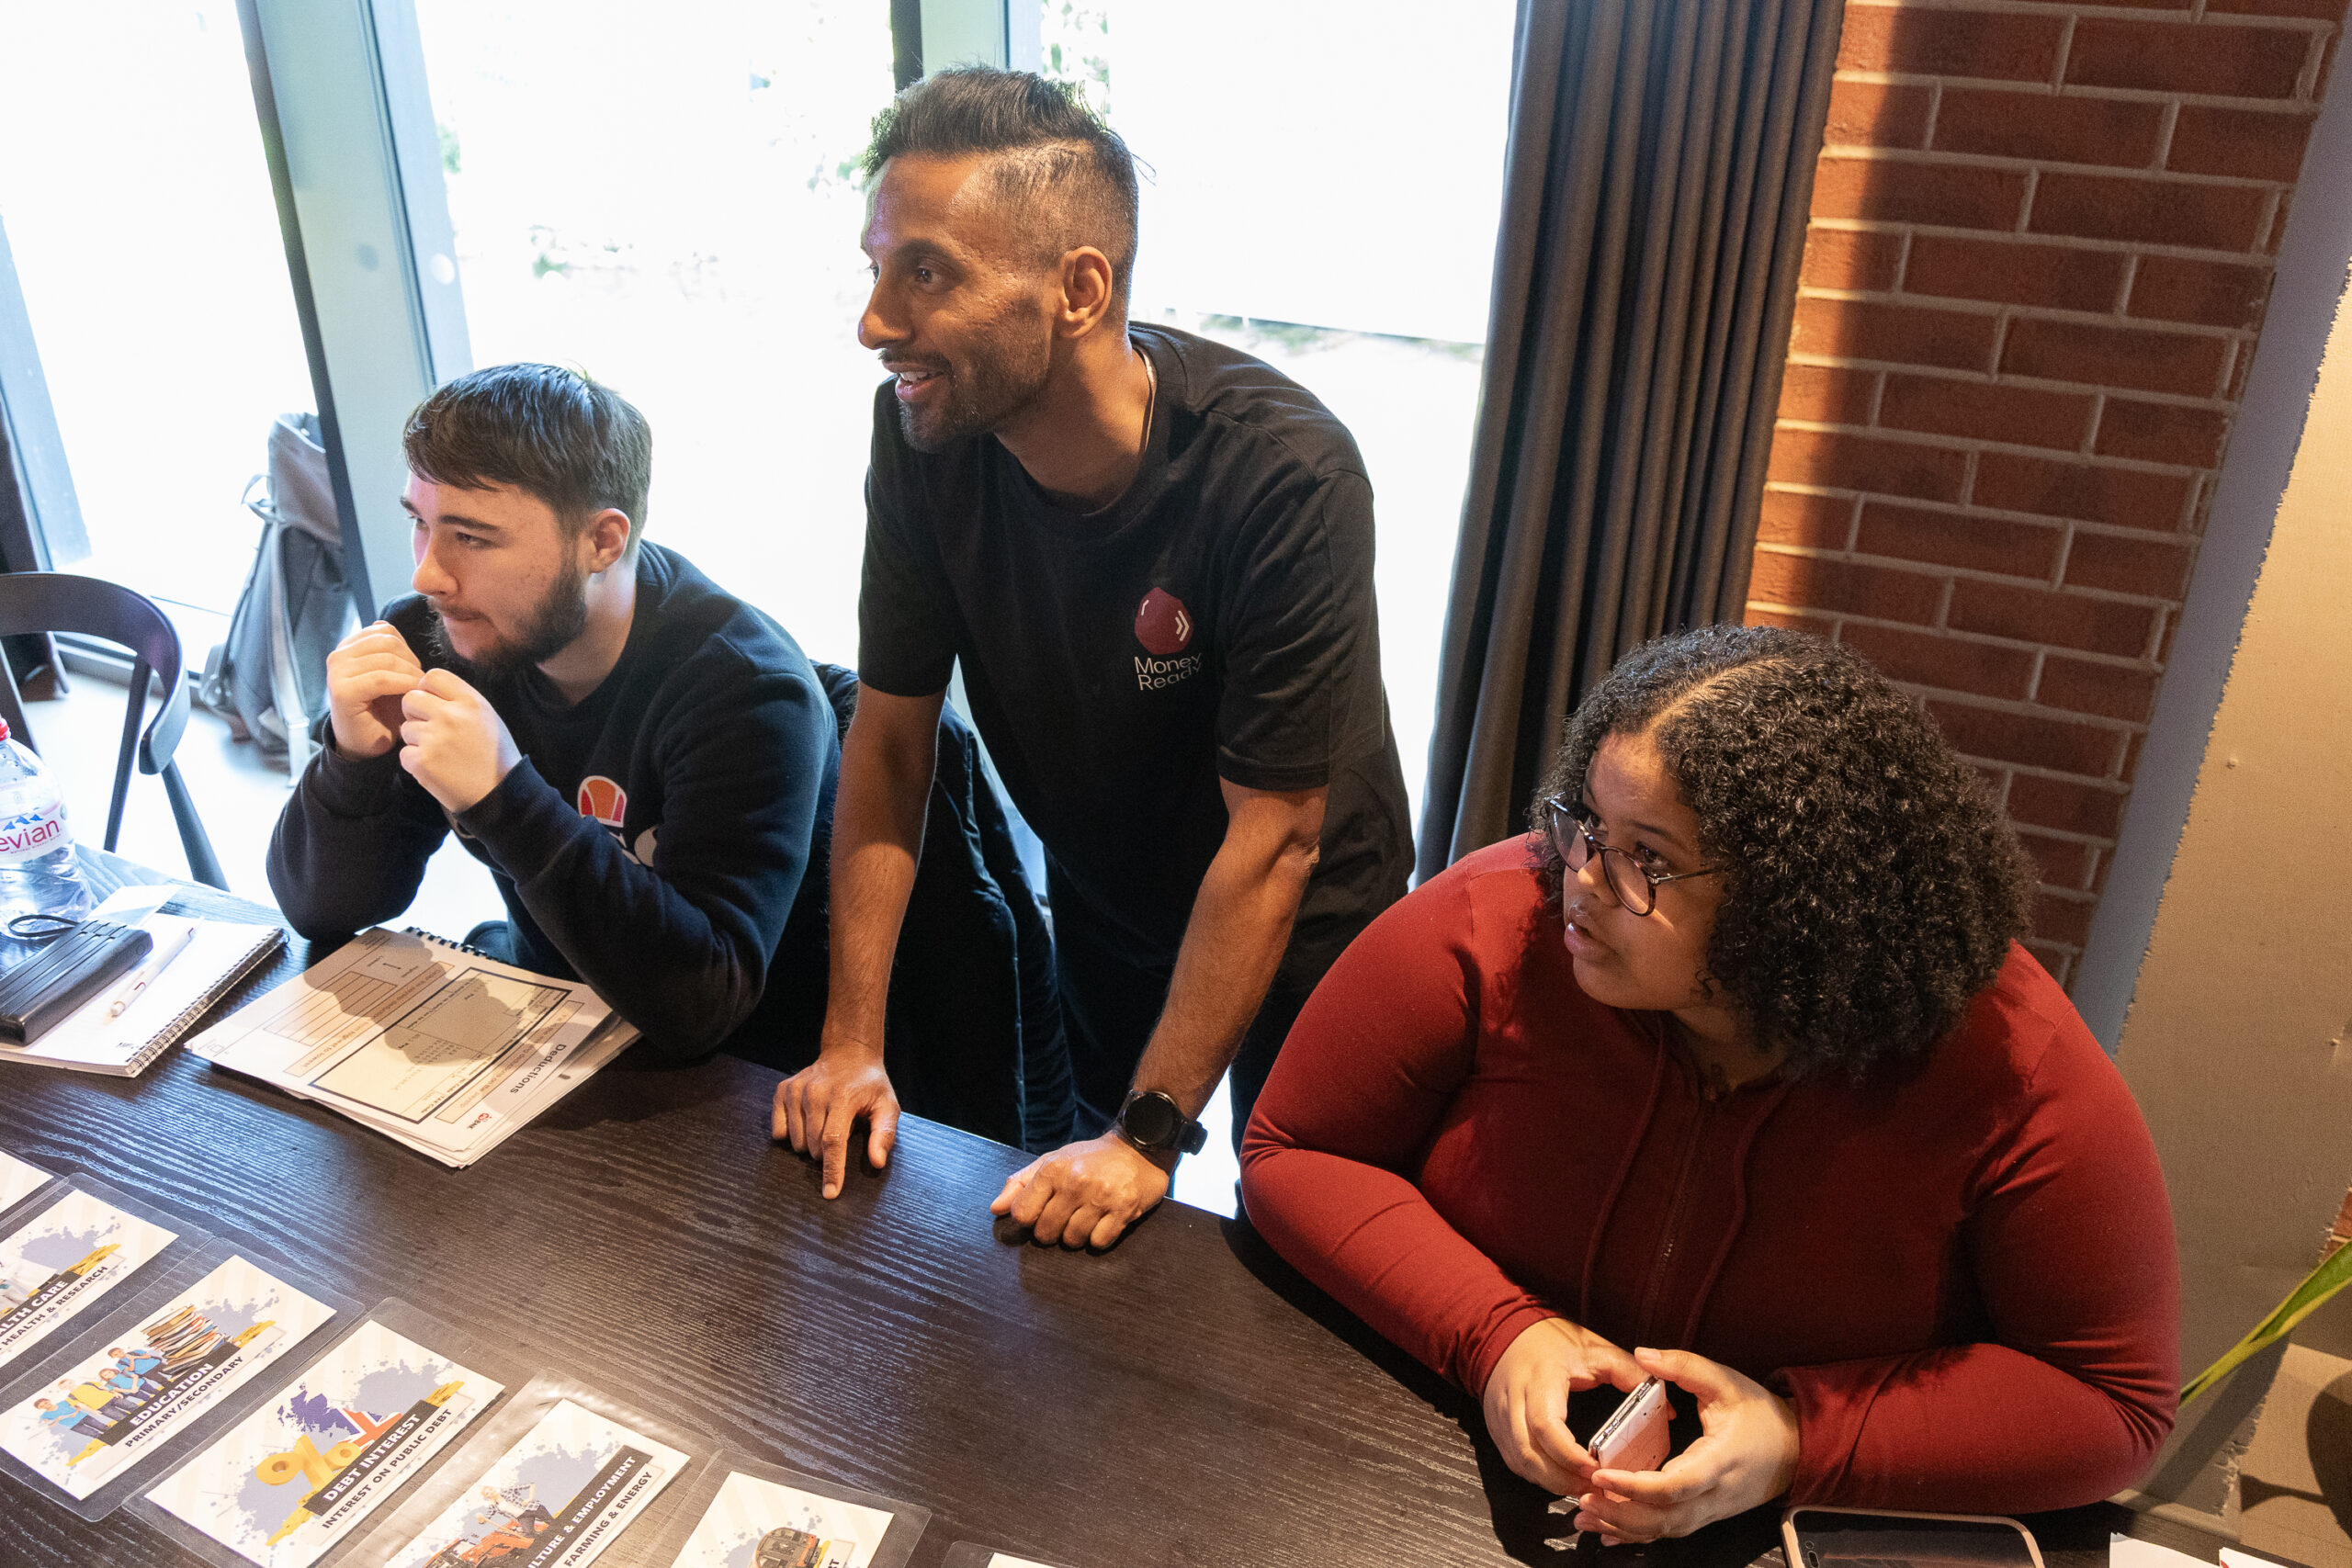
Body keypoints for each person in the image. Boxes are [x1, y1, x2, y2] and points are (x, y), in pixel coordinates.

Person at [1239, 626, 2180, 1535]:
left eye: (1647, 858)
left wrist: (1792, 1439)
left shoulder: (2013, 1067)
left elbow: (2110, 1404)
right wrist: (1496, 1334)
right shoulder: (1492, 924)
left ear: (1796, 898)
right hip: (1433, 1477)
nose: (1580, 882)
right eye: (1585, 825)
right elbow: (1294, 1148)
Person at [773, 66, 1413, 1245]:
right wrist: (850, 1043)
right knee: (1095, 1209)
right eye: (875, 269)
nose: (874, 321)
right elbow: (893, 740)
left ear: (1078, 288)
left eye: (925, 272)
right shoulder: (924, 434)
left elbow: (1275, 841)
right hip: (1108, 884)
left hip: (1302, 914)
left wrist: (1149, 1134)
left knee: (1302, 1220)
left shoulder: (1281, 476)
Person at [269, 365, 839, 1066]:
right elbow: (321, 910)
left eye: (472, 537)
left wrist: (505, 796)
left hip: (739, 1082)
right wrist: (350, 765)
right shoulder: (444, 638)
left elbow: (703, 1005)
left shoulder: (745, 696)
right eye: (421, 523)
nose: (427, 575)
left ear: (601, 541)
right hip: (554, 1026)